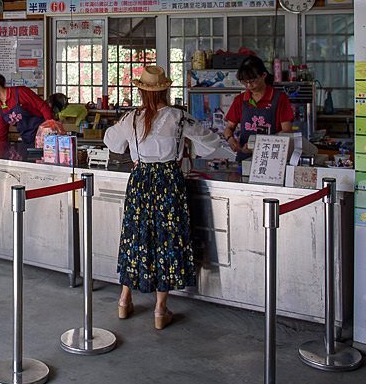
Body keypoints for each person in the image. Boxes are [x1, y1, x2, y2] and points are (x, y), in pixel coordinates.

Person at [103, 65, 222, 330]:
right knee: (167, 239)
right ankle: (160, 309)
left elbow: (112, 143)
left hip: (141, 180)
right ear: (165, 89)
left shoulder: (131, 117)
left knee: (136, 237)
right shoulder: (179, 118)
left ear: (141, 90)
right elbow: (210, 143)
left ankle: (124, 301)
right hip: (169, 181)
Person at [223, 55, 294, 162]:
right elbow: (229, 127)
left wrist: (260, 143)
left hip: (273, 158)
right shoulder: (240, 100)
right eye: (244, 82)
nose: (249, 85)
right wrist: (230, 139)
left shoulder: (280, 99)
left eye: (252, 81)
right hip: (245, 157)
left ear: (263, 75)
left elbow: (287, 130)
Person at [0, 74, 53, 145]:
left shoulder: (20, 92)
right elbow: (1, 137)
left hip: (46, 137)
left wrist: (49, 127)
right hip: (28, 142)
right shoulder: (1, 111)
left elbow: (43, 106)